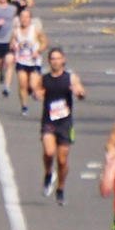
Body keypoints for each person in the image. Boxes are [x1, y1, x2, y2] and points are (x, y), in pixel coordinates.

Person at [40, 47, 86, 204]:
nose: (55, 61)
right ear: (49, 61)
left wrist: (79, 93)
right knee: (48, 151)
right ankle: (48, 173)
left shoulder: (70, 78)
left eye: (58, 58)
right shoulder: (45, 78)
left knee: (62, 160)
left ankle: (60, 188)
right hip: (49, 121)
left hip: (65, 123)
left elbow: (81, 92)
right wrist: (36, 94)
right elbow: (38, 91)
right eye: (52, 58)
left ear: (63, 60)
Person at [11, 6, 46, 115]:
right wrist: (14, 46)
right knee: (22, 84)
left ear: (30, 19)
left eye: (27, 17)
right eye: (22, 17)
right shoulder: (16, 31)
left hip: (34, 61)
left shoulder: (35, 30)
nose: (24, 19)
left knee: (33, 85)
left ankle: (32, 91)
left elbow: (45, 42)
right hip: (22, 61)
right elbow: (12, 43)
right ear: (19, 18)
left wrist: (38, 50)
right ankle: (24, 106)